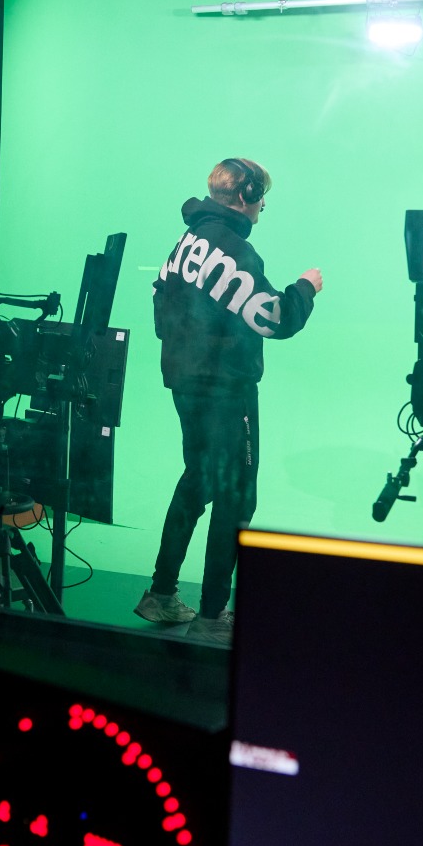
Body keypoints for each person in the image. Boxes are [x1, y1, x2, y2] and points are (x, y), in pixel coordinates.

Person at [135, 157, 322, 645]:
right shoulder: (236, 252)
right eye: (262, 198)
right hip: (227, 392)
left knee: (198, 478)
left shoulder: (185, 243)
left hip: (184, 383)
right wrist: (305, 288)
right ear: (246, 195)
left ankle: (161, 592)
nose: (262, 208)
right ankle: (213, 614)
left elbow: (161, 311)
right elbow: (275, 318)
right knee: (236, 494)